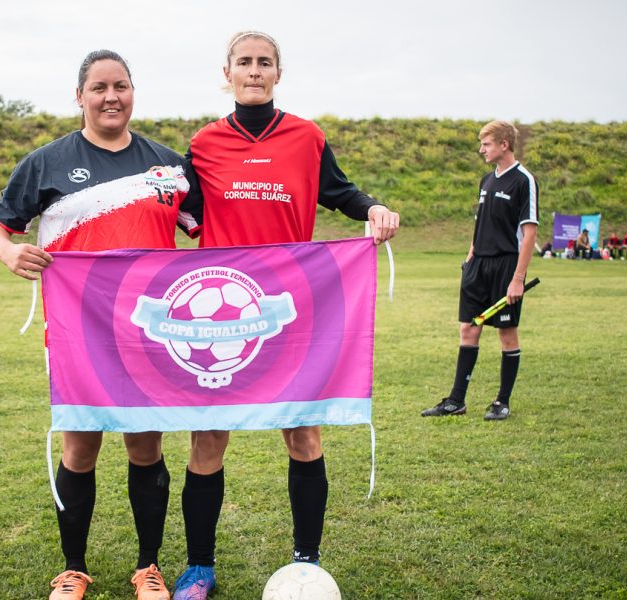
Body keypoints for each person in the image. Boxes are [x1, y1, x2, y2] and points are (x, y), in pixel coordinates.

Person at [173, 31, 399, 599]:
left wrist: (373, 207)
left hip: (289, 309)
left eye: (264, 62)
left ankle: (306, 563)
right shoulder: (204, 143)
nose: (254, 71)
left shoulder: (307, 137)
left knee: (303, 433)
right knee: (208, 439)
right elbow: (179, 209)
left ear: (278, 73)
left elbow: (340, 192)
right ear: (227, 73)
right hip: (222, 316)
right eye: (244, 62)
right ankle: (199, 567)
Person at [0, 49, 196, 600]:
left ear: (133, 92)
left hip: (148, 330)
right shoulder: (46, 163)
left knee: (145, 448)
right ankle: (73, 569)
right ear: (79, 96)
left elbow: (213, 230)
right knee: (80, 448)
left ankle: (148, 568)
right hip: (77, 331)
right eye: (99, 88)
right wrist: (9, 252)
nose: (111, 97)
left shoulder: (168, 167)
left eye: (120, 86)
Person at [422, 119, 538, 421]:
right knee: (468, 329)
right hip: (478, 266)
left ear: (504, 144)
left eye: (486, 144)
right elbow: (481, 224)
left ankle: (502, 402)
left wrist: (518, 279)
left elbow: (529, 234)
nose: (481, 150)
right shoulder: (486, 181)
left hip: (506, 266)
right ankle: (456, 401)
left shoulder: (523, 180)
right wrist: (470, 258)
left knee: (507, 334)